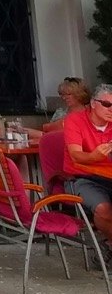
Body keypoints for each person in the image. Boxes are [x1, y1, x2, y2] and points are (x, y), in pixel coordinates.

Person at [62, 82, 112, 247]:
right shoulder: (75, 120)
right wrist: (94, 156)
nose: (111, 109)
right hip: (81, 178)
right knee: (103, 209)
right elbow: (76, 156)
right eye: (106, 104)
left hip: (108, 177)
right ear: (93, 103)